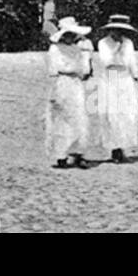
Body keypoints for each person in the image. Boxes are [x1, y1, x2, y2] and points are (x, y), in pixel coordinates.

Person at [45, 17, 93, 169]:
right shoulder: (55, 49)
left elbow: (83, 68)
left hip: (76, 84)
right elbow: (54, 69)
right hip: (62, 83)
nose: (71, 38)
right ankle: (61, 155)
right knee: (62, 119)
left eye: (73, 35)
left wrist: (85, 66)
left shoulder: (77, 49)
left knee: (80, 118)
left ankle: (79, 153)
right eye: (68, 34)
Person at [94, 14, 138, 163]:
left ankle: (123, 146)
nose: (118, 34)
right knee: (112, 114)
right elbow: (106, 61)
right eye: (116, 30)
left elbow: (131, 61)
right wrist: (116, 49)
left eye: (121, 31)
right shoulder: (103, 43)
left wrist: (136, 78)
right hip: (110, 78)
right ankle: (115, 149)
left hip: (125, 78)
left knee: (127, 114)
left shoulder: (128, 43)